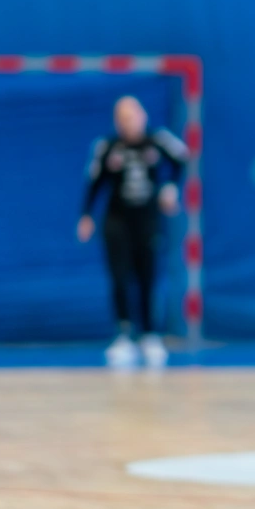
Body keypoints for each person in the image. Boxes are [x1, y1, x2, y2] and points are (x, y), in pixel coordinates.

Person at [77, 96, 189, 368]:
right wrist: (86, 214)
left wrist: (171, 188)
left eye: (132, 116)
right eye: (122, 118)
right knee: (119, 277)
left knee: (147, 276)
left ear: (143, 116)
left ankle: (150, 334)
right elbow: (94, 181)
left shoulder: (158, 140)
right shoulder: (107, 146)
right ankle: (124, 334)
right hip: (117, 221)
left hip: (146, 220)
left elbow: (182, 159)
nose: (128, 123)